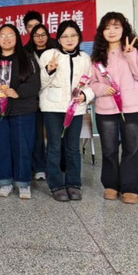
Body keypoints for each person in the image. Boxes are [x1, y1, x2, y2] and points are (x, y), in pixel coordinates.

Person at [91, 12, 138, 204]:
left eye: (116, 27)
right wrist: (102, 89)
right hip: (105, 109)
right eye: (107, 27)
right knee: (109, 149)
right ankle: (110, 185)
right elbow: (91, 83)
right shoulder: (97, 57)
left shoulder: (136, 52)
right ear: (102, 31)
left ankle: (130, 188)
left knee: (131, 148)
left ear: (124, 29)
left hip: (131, 108)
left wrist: (131, 55)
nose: (111, 31)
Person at [0, 24, 40, 199]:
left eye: (10, 35)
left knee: (22, 147)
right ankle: (5, 182)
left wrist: (18, 92)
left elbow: (35, 84)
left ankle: (23, 183)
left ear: (17, 38)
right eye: (2, 36)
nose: (6, 39)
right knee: (1, 147)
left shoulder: (28, 59)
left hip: (22, 110)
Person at [39, 21, 94, 202]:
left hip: (76, 109)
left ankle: (74, 183)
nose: (69, 39)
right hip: (52, 108)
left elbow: (90, 84)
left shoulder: (85, 58)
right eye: (65, 36)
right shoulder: (49, 55)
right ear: (59, 39)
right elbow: (40, 84)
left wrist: (85, 96)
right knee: (54, 146)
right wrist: (49, 70)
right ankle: (56, 185)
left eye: (73, 35)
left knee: (73, 148)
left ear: (79, 37)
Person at [25, 23, 58, 181]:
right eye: (36, 35)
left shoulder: (56, 51)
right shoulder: (26, 53)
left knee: (54, 135)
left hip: (53, 99)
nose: (40, 38)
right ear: (31, 37)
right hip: (34, 100)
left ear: (48, 35)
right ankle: (39, 167)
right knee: (37, 135)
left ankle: (55, 166)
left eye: (43, 34)